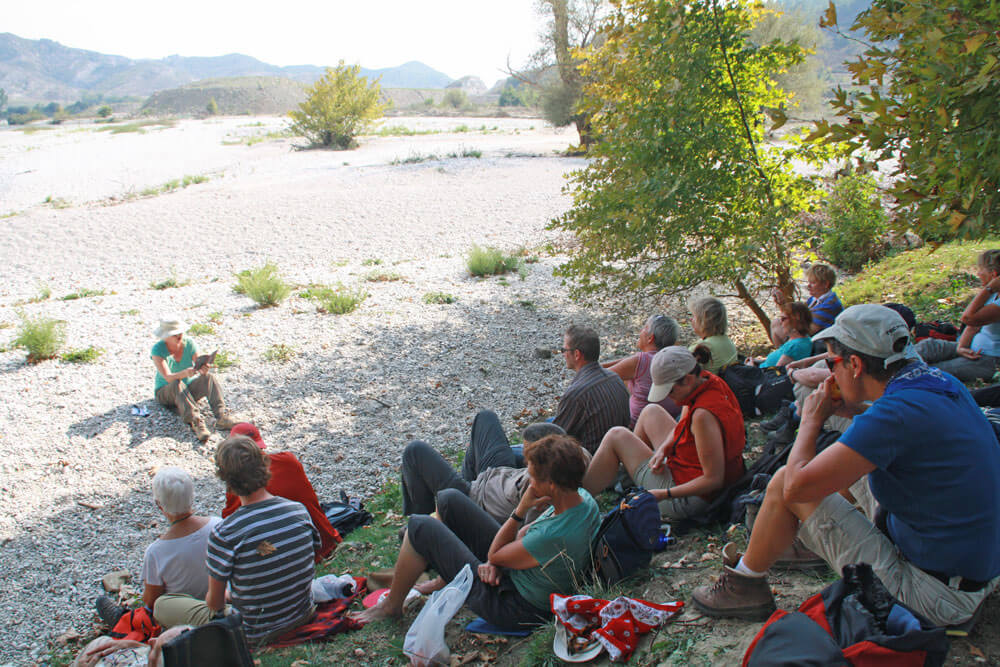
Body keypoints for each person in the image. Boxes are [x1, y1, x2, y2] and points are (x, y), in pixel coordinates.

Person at [692, 305, 1000, 627]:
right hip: (973, 572)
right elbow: (902, 431)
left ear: (854, 364)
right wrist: (853, 410)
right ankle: (794, 539)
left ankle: (744, 586)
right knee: (844, 466)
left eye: (830, 362)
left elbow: (796, 487)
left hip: (937, 597)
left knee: (786, 481)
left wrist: (810, 422)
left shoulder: (890, 417)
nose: (830, 372)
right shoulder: (937, 382)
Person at [351, 434, 600, 632]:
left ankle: (392, 606)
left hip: (513, 606)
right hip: (520, 572)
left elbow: (503, 547)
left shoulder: (554, 535)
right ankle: (444, 579)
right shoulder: (582, 500)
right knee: (449, 499)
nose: (530, 483)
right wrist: (498, 560)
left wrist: (520, 510)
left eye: (533, 477)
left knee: (419, 526)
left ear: (552, 485)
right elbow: (523, 535)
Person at [156, 436, 319, 645]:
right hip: (304, 614)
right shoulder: (298, 511)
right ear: (264, 464)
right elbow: (307, 557)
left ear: (227, 482)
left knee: (163, 604)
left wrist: (228, 594)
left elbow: (214, 605)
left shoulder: (225, 532)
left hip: (255, 633)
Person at [582, 346, 746, 521]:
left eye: (670, 391)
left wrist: (662, 494)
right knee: (651, 411)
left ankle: (576, 497)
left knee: (616, 435)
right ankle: (627, 477)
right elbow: (681, 426)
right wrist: (663, 449)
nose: (668, 398)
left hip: (693, 498)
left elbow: (713, 479)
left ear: (688, 379)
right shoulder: (707, 381)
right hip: (689, 467)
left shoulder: (703, 416)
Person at [94, 468, 220, 631]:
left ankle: (125, 621)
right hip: (223, 602)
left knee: (146, 609)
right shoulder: (218, 525)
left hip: (184, 619)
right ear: (192, 496)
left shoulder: (156, 552)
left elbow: (151, 602)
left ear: (159, 505)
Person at [400, 410, 569, 521]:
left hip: (476, 500)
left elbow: (522, 536)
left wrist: (517, 515)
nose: (525, 459)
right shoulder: (570, 461)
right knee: (486, 418)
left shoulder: (538, 492)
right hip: (499, 473)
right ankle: (455, 494)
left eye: (528, 455)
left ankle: (421, 523)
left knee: (414, 452)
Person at [221, 423, 341, 562]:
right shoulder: (288, 460)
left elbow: (229, 524)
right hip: (325, 543)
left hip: (283, 559)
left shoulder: (238, 484)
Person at [915, 249, 1000, 382]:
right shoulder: (993, 295)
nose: (978, 274)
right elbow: (973, 326)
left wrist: (988, 289)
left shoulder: (993, 296)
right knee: (926, 346)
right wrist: (961, 347)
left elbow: (968, 318)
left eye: (980, 270)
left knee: (933, 371)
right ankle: (890, 371)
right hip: (972, 349)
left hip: (989, 361)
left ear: (993, 274)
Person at [151, 317, 236, 442]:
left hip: (186, 390)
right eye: (174, 334)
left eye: (180, 332)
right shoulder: (157, 350)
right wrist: (184, 373)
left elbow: (198, 360)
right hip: (165, 392)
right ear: (165, 336)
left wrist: (204, 367)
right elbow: (168, 377)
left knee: (208, 378)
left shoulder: (189, 343)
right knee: (176, 383)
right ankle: (196, 422)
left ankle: (221, 416)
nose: (178, 335)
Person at [553, 324, 630, 453]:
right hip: (618, 453)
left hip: (588, 461)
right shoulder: (615, 377)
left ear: (577, 354)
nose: (563, 354)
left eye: (564, 350)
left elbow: (554, 440)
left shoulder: (576, 395)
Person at [602, 315, 682, 426]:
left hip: (639, 428)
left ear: (650, 338)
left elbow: (598, 376)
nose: (640, 331)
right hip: (671, 424)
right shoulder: (676, 357)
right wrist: (600, 365)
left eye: (645, 327)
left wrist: (585, 365)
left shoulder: (641, 362)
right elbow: (629, 362)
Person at [750, 302, 813, 368]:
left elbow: (775, 373)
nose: (780, 322)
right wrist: (757, 361)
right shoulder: (797, 340)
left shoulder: (796, 346)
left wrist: (750, 366)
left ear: (796, 321)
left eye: (783, 319)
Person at [688, 296, 738, 374]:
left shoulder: (703, 347)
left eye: (694, 317)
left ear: (704, 321)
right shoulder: (727, 341)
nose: (691, 320)